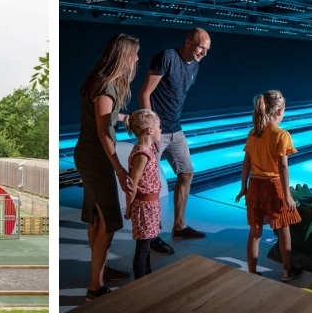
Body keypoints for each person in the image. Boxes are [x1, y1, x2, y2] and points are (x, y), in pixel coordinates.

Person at [73, 33, 140, 301]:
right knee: (109, 220)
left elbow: (105, 117)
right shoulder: (106, 85)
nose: (137, 59)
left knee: (96, 217)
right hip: (95, 158)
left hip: (90, 155)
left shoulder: (98, 79)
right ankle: (94, 288)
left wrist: (125, 117)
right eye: (134, 54)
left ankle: (97, 271)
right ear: (124, 56)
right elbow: (103, 133)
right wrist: (120, 170)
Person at [138, 27, 211, 254]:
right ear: (188, 42)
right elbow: (144, 93)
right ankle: (151, 236)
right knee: (150, 185)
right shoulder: (167, 57)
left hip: (175, 130)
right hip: (157, 130)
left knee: (186, 173)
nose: (203, 53)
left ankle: (179, 226)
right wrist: (151, 129)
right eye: (201, 47)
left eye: (207, 49)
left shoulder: (195, 66)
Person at [235, 90, 303, 282]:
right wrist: (288, 195)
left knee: (255, 232)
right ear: (280, 110)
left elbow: (246, 163)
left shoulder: (253, 133)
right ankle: (286, 271)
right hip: (274, 187)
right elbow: (282, 167)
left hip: (255, 185)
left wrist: (243, 187)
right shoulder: (281, 135)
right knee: (283, 229)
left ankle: (252, 271)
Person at [124, 109, 162, 280]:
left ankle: (147, 275)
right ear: (150, 130)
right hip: (144, 207)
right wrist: (129, 206)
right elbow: (133, 185)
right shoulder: (142, 155)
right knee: (143, 248)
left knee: (146, 246)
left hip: (152, 205)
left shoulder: (149, 148)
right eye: (159, 128)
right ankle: (140, 282)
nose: (161, 131)